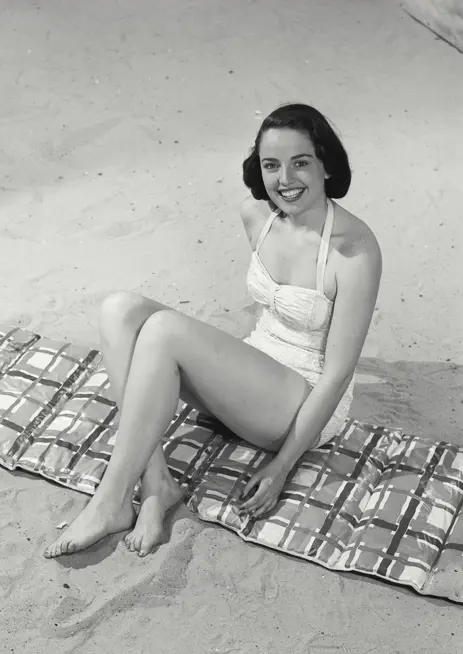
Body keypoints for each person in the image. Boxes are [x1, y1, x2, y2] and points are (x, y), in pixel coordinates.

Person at [44, 103, 382, 559]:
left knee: (163, 331)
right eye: (271, 165)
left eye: (300, 162)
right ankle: (157, 483)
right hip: (249, 380)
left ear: (326, 165)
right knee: (119, 310)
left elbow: (338, 375)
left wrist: (283, 466)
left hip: (300, 403)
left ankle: (111, 500)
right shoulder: (256, 216)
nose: (285, 179)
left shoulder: (354, 250)